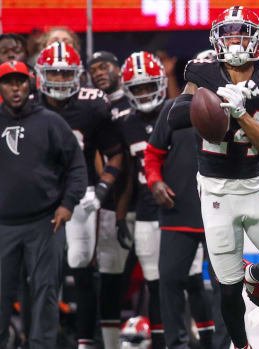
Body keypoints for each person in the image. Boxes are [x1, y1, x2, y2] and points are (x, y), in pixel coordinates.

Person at [167, 7, 259, 349]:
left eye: (241, 33)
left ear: (257, 39)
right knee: (225, 289)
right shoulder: (202, 72)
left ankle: (252, 273)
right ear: (217, 38)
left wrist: (242, 113)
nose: (234, 41)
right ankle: (242, 346)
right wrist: (213, 100)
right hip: (215, 191)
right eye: (228, 34)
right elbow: (175, 117)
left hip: (256, 187)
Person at [36, 41, 124, 349]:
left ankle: (86, 342)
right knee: (37, 274)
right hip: (38, 199)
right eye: (54, 73)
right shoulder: (28, 104)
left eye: (65, 73)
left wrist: (100, 190)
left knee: (81, 267)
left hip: (80, 193)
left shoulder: (92, 105)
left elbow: (115, 153)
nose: (59, 79)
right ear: (41, 75)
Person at [117, 51, 207, 349]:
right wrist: (122, 211)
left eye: (147, 86)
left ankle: (215, 342)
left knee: (205, 283)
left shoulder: (212, 109)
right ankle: (171, 343)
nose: (143, 93)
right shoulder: (140, 118)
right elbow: (139, 163)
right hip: (161, 211)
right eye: (137, 87)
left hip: (202, 208)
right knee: (162, 284)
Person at [0, 60, 87, 349]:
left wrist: (68, 204)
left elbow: (76, 165)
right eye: (9, 81)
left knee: (45, 293)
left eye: (21, 81)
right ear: (1, 87)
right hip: (3, 225)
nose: (16, 87)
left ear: (31, 83)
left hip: (45, 222)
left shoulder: (50, 121)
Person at [145, 68, 219, 349]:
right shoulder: (171, 110)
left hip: (221, 210)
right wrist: (155, 182)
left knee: (226, 283)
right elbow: (153, 155)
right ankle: (175, 344)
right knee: (170, 280)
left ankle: (226, 343)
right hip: (179, 207)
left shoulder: (232, 109)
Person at [85, 49, 135, 349]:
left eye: (104, 66)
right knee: (110, 279)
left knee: (159, 280)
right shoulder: (93, 108)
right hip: (110, 201)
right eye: (93, 69)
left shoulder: (135, 99)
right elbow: (99, 155)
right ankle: (111, 345)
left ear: (118, 68)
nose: (99, 72)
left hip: (145, 202)